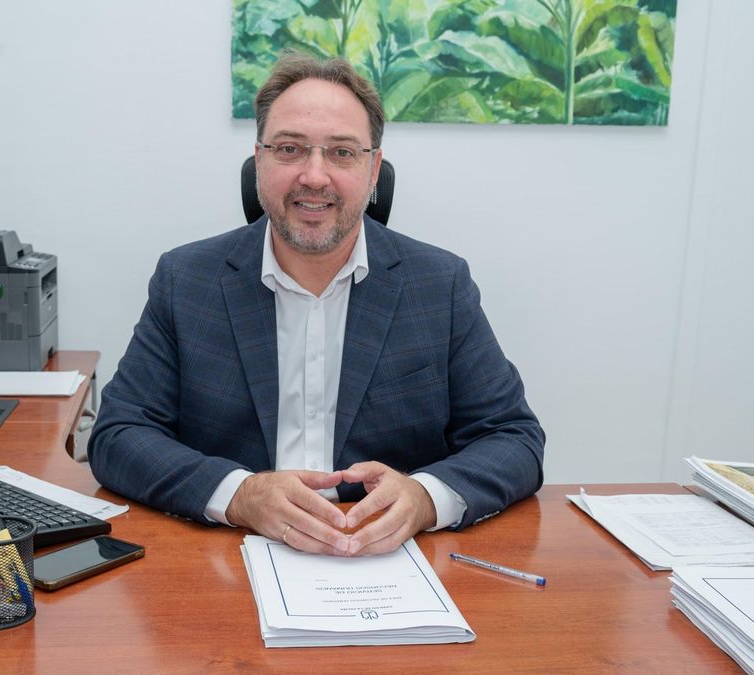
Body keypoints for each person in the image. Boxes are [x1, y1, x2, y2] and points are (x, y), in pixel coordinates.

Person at [89, 52, 544, 557]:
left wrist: (423, 498)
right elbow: (118, 435)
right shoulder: (186, 280)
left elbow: (513, 438)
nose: (314, 176)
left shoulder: (439, 285)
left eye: (342, 153)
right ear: (258, 161)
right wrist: (239, 494)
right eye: (289, 149)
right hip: (227, 560)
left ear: (375, 170)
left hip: (387, 564)